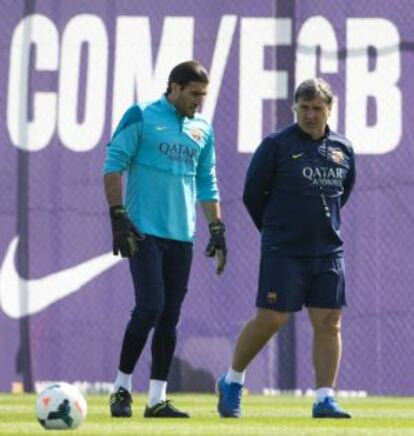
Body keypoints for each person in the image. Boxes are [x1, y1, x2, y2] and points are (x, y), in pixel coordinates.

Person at [217, 78, 355, 419]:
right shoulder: (276, 145)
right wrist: (276, 232)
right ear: (294, 108)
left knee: (329, 322)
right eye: (304, 108)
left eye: (317, 108)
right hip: (284, 250)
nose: (310, 114)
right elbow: (252, 194)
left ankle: (325, 398)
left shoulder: (343, 149)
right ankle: (232, 381)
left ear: (329, 110)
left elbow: (343, 194)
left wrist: (322, 228)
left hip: (328, 252)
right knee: (271, 318)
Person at [103, 60, 227, 418]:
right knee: (150, 306)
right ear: (173, 88)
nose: (198, 102)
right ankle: (121, 389)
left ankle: (156, 399)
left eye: (203, 96)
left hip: (181, 237)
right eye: (193, 94)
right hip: (142, 231)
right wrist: (118, 215)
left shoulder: (203, 128)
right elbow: (114, 164)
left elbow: (207, 182)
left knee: (170, 316)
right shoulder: (140, 115)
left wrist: (216, 228)